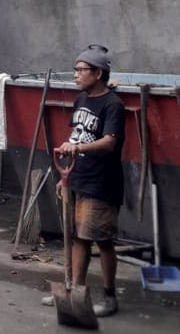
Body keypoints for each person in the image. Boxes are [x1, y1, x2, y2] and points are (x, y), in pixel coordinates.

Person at [54, 44, 126, 317]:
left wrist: (78, 148)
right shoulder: (80, 100)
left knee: (102, 240)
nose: (76, 74)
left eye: (81, 70)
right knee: (78, 238)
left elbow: (109, 142)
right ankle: (76, 292)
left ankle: (109, 297)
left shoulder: (113, 105)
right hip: (78, 177)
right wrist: (65, 177)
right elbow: (76, 136)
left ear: (98, 73)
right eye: (75, 69)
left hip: (102, 182)